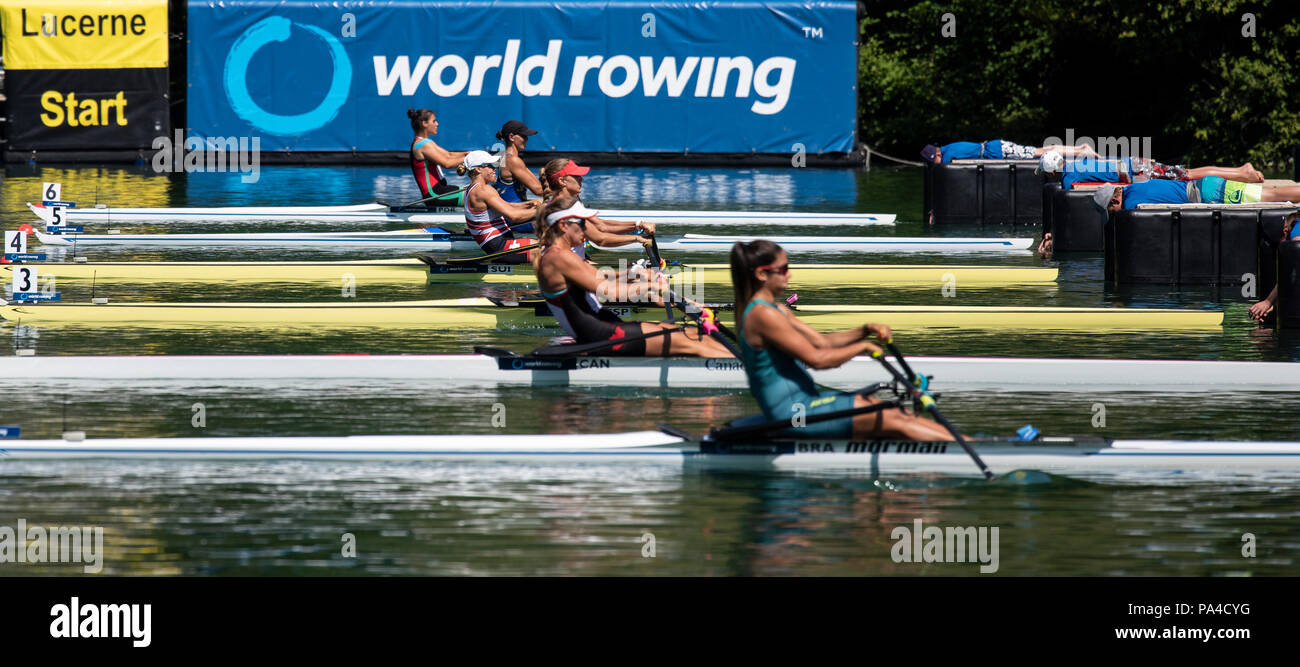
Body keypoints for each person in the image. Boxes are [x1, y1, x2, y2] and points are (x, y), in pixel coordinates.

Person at [730, 240, 957, 440]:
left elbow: (822, 343)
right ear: (761, 274)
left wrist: (865, 330)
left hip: (805, 402)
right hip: (793, 414)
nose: (789, 274)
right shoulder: (763, 315)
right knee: (885, 414)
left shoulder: (776, 309)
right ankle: (970, 452)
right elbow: (818, 360)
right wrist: (864, 347)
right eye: (784, 269)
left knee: (893, 413)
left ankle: (967, 445)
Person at [534, 196, 732, 357]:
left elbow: (599, 277)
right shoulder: (558, 257)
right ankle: (746, 371)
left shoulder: (561, 255)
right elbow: (609, 292)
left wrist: (633, 274)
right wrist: (651, 287)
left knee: (693, 334)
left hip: (605, 325)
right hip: (601, 335)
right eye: (582, 223)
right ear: (563, 226)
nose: (587, 229)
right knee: (690, 341)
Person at [538, 158, 654, 254]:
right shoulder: (565, 209)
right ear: (562, 181)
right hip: (567, 267)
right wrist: (637, 238)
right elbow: (600, 238)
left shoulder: (568, 204)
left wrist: (638, 225)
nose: (581, 179)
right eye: (576, 176)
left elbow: (600, 225)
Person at [461, 151, 541, 263]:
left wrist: (529, 204)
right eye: (490, 166)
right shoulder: (483, 190)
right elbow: (513, 216)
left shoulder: (473, 188)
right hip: (500, 247)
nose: (495, 169)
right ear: (478, 169)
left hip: (499, 244)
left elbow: (507, 205)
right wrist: (545, 210)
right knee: (546, 250)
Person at [1041, 153, 1263, 189]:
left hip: (1132, 170)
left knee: (1189, 174)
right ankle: (1239, 170)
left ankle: (1242, 173)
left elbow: (1070, 192)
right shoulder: (1077, 162)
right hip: (1132, 162)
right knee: (1187, 172)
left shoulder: (1068, 177)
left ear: (1052, 172)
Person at [1093, 177, 1300, 212]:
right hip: (1204, 186)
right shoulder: (1133, 188)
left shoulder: (1131, 205)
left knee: (1275, 196)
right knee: (1272, 194)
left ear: (1114, 199)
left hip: (1209, 193)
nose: (1114, 215)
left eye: (1111, 210)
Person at [407, 109, 468, 208]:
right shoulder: (421, 145)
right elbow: (447, 163)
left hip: (440, 190)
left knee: (477, 191)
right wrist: (470, 158)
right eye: (434, 121)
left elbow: (449, 154)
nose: (437, 124)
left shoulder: (425, 142)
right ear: (424, 123)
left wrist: (469, 153)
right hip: (434, 195)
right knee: (478, 194)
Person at [1248, 212, 1300, 322]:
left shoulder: (1296, 233)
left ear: (1285, 231)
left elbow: (1293, 270)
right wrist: (1275, 305)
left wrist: (1268, 302)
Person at [921, 140, 1096, 164]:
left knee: (1042, 152)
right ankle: (1080, 149)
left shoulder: (948, 155)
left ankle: (1081, 149)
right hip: (996, 147)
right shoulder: (948, 148)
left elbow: (942, 169)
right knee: (1042, 150)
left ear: (937, 155)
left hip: (998, 150)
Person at [495, 120, 544, 203]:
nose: (527, 139)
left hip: (507, 209)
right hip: (513, 211)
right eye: (524, 136)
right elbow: (539, 191)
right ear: (511, 137)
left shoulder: (502, 157)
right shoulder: (513, 161)